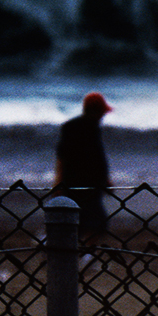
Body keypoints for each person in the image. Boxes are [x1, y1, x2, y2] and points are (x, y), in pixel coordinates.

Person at [54, 91, 113, 243]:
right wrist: (58, 181)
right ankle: (86, 254)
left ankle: (80, 253)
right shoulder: (77, 128)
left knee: (79, 222)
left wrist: (105, 178)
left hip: (84, 184)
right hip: (82, 184)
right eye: (101, 112)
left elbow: (97, 158)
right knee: (94, 223)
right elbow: (63, 156)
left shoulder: (83, 127)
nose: (103, 116)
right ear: (96, 110)